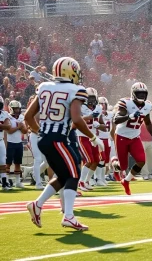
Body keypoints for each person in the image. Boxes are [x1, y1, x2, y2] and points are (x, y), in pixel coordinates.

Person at [25, 57, 103, 231]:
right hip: (58, 139)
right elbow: (76, 118)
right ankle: (68, 216)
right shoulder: (76, 90)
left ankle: (37, 204)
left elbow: (28, 117)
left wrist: (42, 133)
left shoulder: (44, 87)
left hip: (45, 139)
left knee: (63, 175)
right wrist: (92, 137)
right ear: (71, 72)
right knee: (74, 173)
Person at [113, 82, 152, 195]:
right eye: (139, 93)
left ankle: (126, 181)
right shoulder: (126, 103)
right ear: (133, 93)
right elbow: (116, 119)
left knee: (141, 161)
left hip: (135, 137)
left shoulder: (147, 105)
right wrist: (129, 116)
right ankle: (114, 163)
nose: (141, 95)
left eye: (143, 93)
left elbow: (147, 122)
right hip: (122, 136)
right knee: (123, 166)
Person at [77, 88, 105, 191]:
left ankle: (87, 181)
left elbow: (103, 125)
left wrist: (98, 125)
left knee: (96, 160)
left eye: (93, 98)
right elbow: (77, 119)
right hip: (82, 135)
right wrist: (90, 117)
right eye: (89, 98)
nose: (91, 100)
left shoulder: (98, 107)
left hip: (94, 137)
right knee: (89, 160)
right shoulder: (80, 107)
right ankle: (81, 182)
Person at [6, 100, 28, 188]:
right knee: (8, 163)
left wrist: (21, 127)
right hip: (9, 142)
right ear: (11, 109)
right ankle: (6, 181)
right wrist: (18, 127)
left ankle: (18, 182)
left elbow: (25, 131)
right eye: (15, 109)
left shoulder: (21, 117)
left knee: (18, 163)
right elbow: (10, 131)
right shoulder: (7, 117)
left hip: (18, 142)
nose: (17, 111)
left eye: (18, 109)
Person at [96, 96, 113, 186]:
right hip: (99, 139)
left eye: (104, 104)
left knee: (105, 160)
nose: (103, 106)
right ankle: (97, 178)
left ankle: (102, 178)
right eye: (101, 104)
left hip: (107, 139)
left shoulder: (110, 114)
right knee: (100, 159)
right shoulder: (97, 114)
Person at [0, 96, 11, 190]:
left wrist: (2, 126)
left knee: (3, 162)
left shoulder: (4, 113)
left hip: (0, 140)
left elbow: (8, 126)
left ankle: (4, 181)